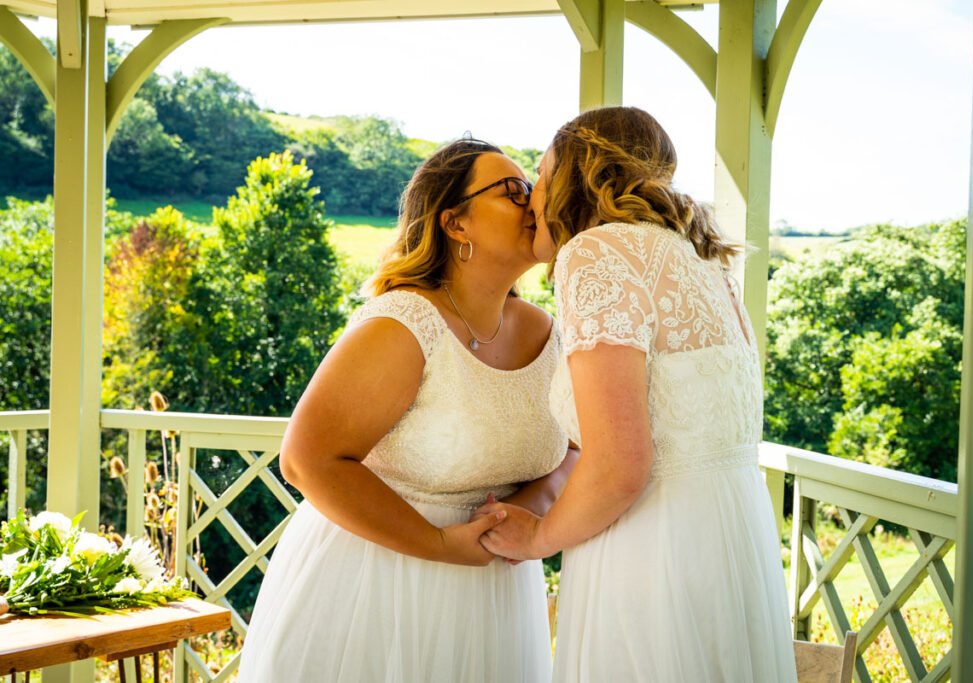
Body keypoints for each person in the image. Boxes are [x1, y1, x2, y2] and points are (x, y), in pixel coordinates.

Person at [478, 107, 798, 682]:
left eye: (541, 177)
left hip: (653, 549)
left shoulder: (596, 254)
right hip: (731, 539)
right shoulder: (704, 262)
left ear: (578, 175)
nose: (532, 199)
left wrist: (540, 537)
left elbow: (622, 464)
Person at [238, 138, 574, 682]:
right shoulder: (403, 323)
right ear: (455, 223)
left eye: (532, 188)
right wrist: (440, 544)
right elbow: (306, 459)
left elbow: (573, 448)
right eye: (513, 190)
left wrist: (527, 514)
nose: (533, 202)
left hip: (494, 594)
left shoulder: (547, 332)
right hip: (376, 588)